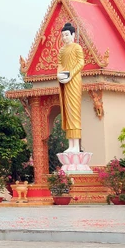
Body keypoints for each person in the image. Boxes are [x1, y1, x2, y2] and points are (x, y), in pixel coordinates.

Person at [57, 22, 85, 153]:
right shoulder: (62, 50)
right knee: (68, 111)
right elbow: (60, 64)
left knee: (74, 111)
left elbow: (81, 63)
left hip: (74, 80)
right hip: (65, 81)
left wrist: (70, 74)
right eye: (63, 35)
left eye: (67, 35)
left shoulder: (77, 47)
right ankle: (71, 144)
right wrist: (59, 74)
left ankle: (76, 146)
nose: (65, 38)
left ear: (73, 35)